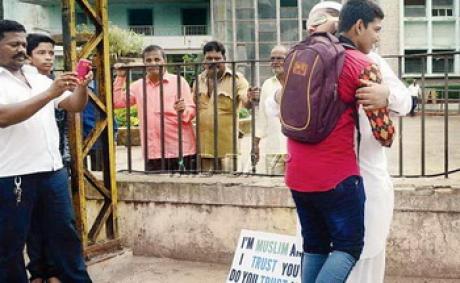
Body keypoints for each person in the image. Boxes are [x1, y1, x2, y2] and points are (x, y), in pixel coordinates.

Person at [285, 1, 388, 282]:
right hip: (336, 178)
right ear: (358, 26)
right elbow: (385, 134)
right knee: (348, 247)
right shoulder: (362, 64)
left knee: (315, 245)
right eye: (376, 30)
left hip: (297, 174)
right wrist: (386, 95)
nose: (377, 37)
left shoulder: (304, 54)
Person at [0, 20, 92, 282]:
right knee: (10, 245)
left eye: (22, 43)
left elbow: (73, 105)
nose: (21, 48)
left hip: (52, 172)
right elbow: (4, 117)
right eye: (13, 44)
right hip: (13, 176)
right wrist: (50, 92)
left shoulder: (37, 78)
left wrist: (82, 86)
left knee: (66, 235)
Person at [113, 45, 196, 171]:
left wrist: (183, 110)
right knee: (155, 189)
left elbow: (191, 111)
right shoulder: (138, 86)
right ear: (144, 63)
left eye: (157, 59)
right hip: (154, 151)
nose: (153, 63)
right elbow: (116, 102)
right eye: (149, 60)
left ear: (165, 61)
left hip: (181, 149)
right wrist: (120, 77)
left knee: (186, 189)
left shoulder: (179, 81)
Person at [25, 32, 62, 283]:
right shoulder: (15, 83)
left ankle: (53, 271)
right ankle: (38, 272)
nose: (48, 57)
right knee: (30, 227)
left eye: (51, 53)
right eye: (41, 52)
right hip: (21, 166)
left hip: (54, 163)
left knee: (58, 224)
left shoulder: (51, 83)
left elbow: (73, 106)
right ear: (28, 57)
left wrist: (80, 87)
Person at [194, 40, 249, 171]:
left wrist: (251, 99)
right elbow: (193, 107)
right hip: (204, 148)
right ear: (204, 60)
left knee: (229, 185)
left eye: (217, 58)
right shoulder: (198, 81)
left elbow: (246, 101)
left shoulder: (237, 79)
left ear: (224, 59)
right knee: (206, 186)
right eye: (209, 58)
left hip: (227, 149)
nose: (213, 61)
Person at [254, 45, 288, 175]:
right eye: (272, 59)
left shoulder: (298, 82)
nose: (275, 62)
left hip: (294, 148)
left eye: (280, 58)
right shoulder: (267, 84)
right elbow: (262, 116)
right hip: (273, 147)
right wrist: (255, 144)